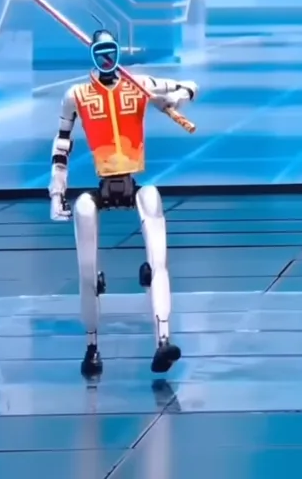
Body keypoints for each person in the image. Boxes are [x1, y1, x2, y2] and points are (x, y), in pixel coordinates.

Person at [51, 29, 197, 376]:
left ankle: (163, 340)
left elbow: (190, 86)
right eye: (99, 52)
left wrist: (173, 98)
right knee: (87, 267)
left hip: (135, 181)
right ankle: (92, 346)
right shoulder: (77, 95)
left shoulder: (138, 83)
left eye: (110, 51)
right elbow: (61, 146)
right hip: (99, 186)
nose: (105, 58)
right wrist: (57, 190)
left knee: (158, 258)